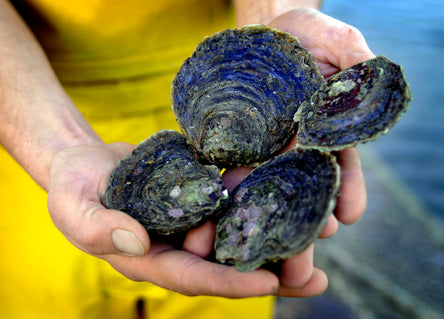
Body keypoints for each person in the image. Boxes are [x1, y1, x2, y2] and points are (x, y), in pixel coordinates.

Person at [0, 0, 372, 318]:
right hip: (30, 115)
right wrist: (58, 145)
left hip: (213, 80)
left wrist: (275, 31)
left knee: (225, 290)